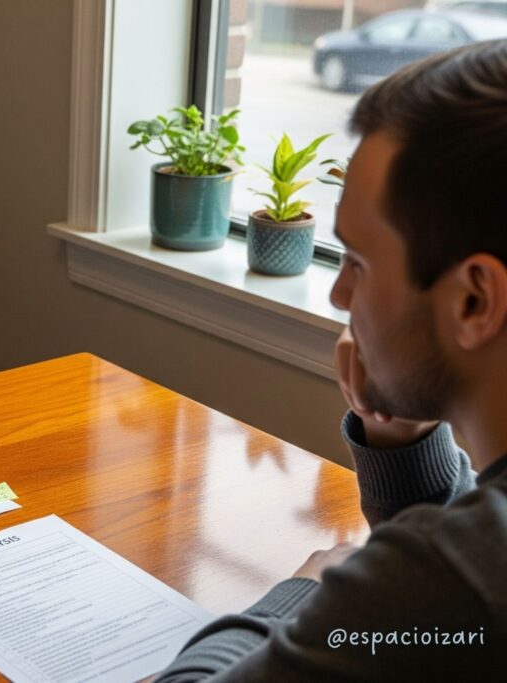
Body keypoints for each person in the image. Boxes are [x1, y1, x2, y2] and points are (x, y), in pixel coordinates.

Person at [154, 40, 507, 680]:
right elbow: (449, 603)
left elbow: (449, 588)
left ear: (475, 300)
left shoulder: (466, 575)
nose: (341, 293)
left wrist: (309, 593)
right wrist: (400, 440)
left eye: (358, 262)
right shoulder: (467, 567)